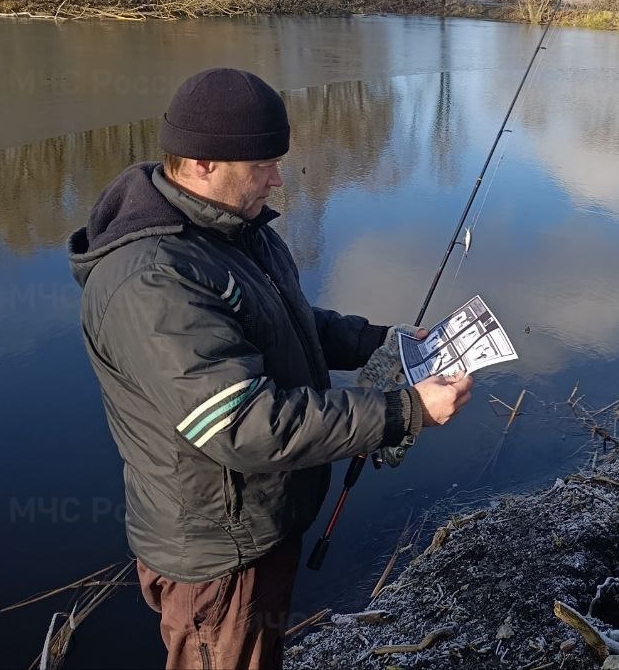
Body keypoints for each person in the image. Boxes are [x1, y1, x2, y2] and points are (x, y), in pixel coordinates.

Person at [68, 68, 472, 670]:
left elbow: (284, 322)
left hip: (259, 523)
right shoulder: (153, 279)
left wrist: (377, 341)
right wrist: (404, 410)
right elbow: (245, 424)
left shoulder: (231, 229)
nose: (278, 179)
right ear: (203, 163)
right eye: (263, 165)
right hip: (218, 555)